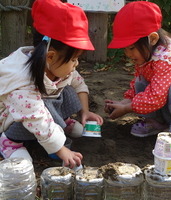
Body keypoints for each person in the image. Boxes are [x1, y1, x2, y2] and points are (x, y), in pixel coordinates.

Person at [0, 0, 103, 168]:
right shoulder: (21, 80)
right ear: (51, 57)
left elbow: (79, 84)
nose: (76, 64)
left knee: (68, 89)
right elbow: (36, 117)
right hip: (11, 117)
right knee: (42, 108)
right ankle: (10, 142)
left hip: (39, 112)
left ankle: (59, 124)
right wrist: (61, 149)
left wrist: (85, 111)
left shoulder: (54, 67)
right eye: (74, 59)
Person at [104, 1, 171, 161]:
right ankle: (157, 123)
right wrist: (124, 102)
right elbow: (137, 82)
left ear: (153, 39)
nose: (128, 53)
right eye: (125, 48)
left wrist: (127, 108)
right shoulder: (148, 55)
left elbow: (156, 97)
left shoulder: (168, 58)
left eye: (132, 48)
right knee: (142, 80)